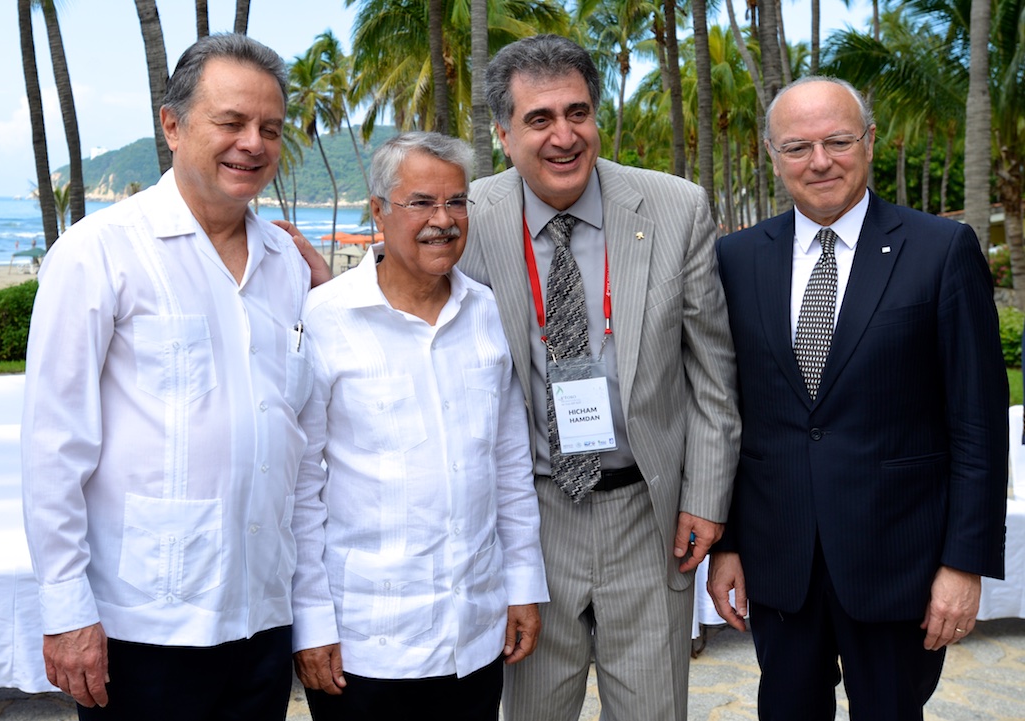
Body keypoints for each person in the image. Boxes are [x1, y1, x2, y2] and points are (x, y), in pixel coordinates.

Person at [21, 33, 327, 720]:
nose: (253, 143)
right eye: (231, 122)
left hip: (262, 616)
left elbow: (302, 441)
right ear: (172, 124)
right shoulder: (98, 253)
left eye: (270, 129)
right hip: (144, 622)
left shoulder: (288, 265)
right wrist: (67, 610)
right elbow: (52, 446)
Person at [458, 34, 741, 720]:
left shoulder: (675, 208)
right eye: (539, 119)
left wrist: (705, 499)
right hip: (529, 517)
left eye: (577, 113)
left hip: (650, 518)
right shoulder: (466, 216)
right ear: (502, 133)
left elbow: (712, 374)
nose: (564, 136)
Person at [710, 76, 1008, 720]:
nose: (820, 161)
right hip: (779, 563)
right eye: (797, 147)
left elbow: (977, 423)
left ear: (869, 143)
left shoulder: (941, 251)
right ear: (772, 154)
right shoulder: (734, 260)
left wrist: (964, 565)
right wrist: (728, 543)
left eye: (838, 140)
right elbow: (727, 414)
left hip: (899, 562)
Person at [291, 131, 548, 721]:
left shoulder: (486, 313)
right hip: (367, 643)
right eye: (422, 203)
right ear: (379, 210)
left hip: (475, 634)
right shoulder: (325, 319)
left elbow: (509, 467)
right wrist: (311, 622)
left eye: (456, 202)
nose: (443, 220)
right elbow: (301, 488)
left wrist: (523, 587)